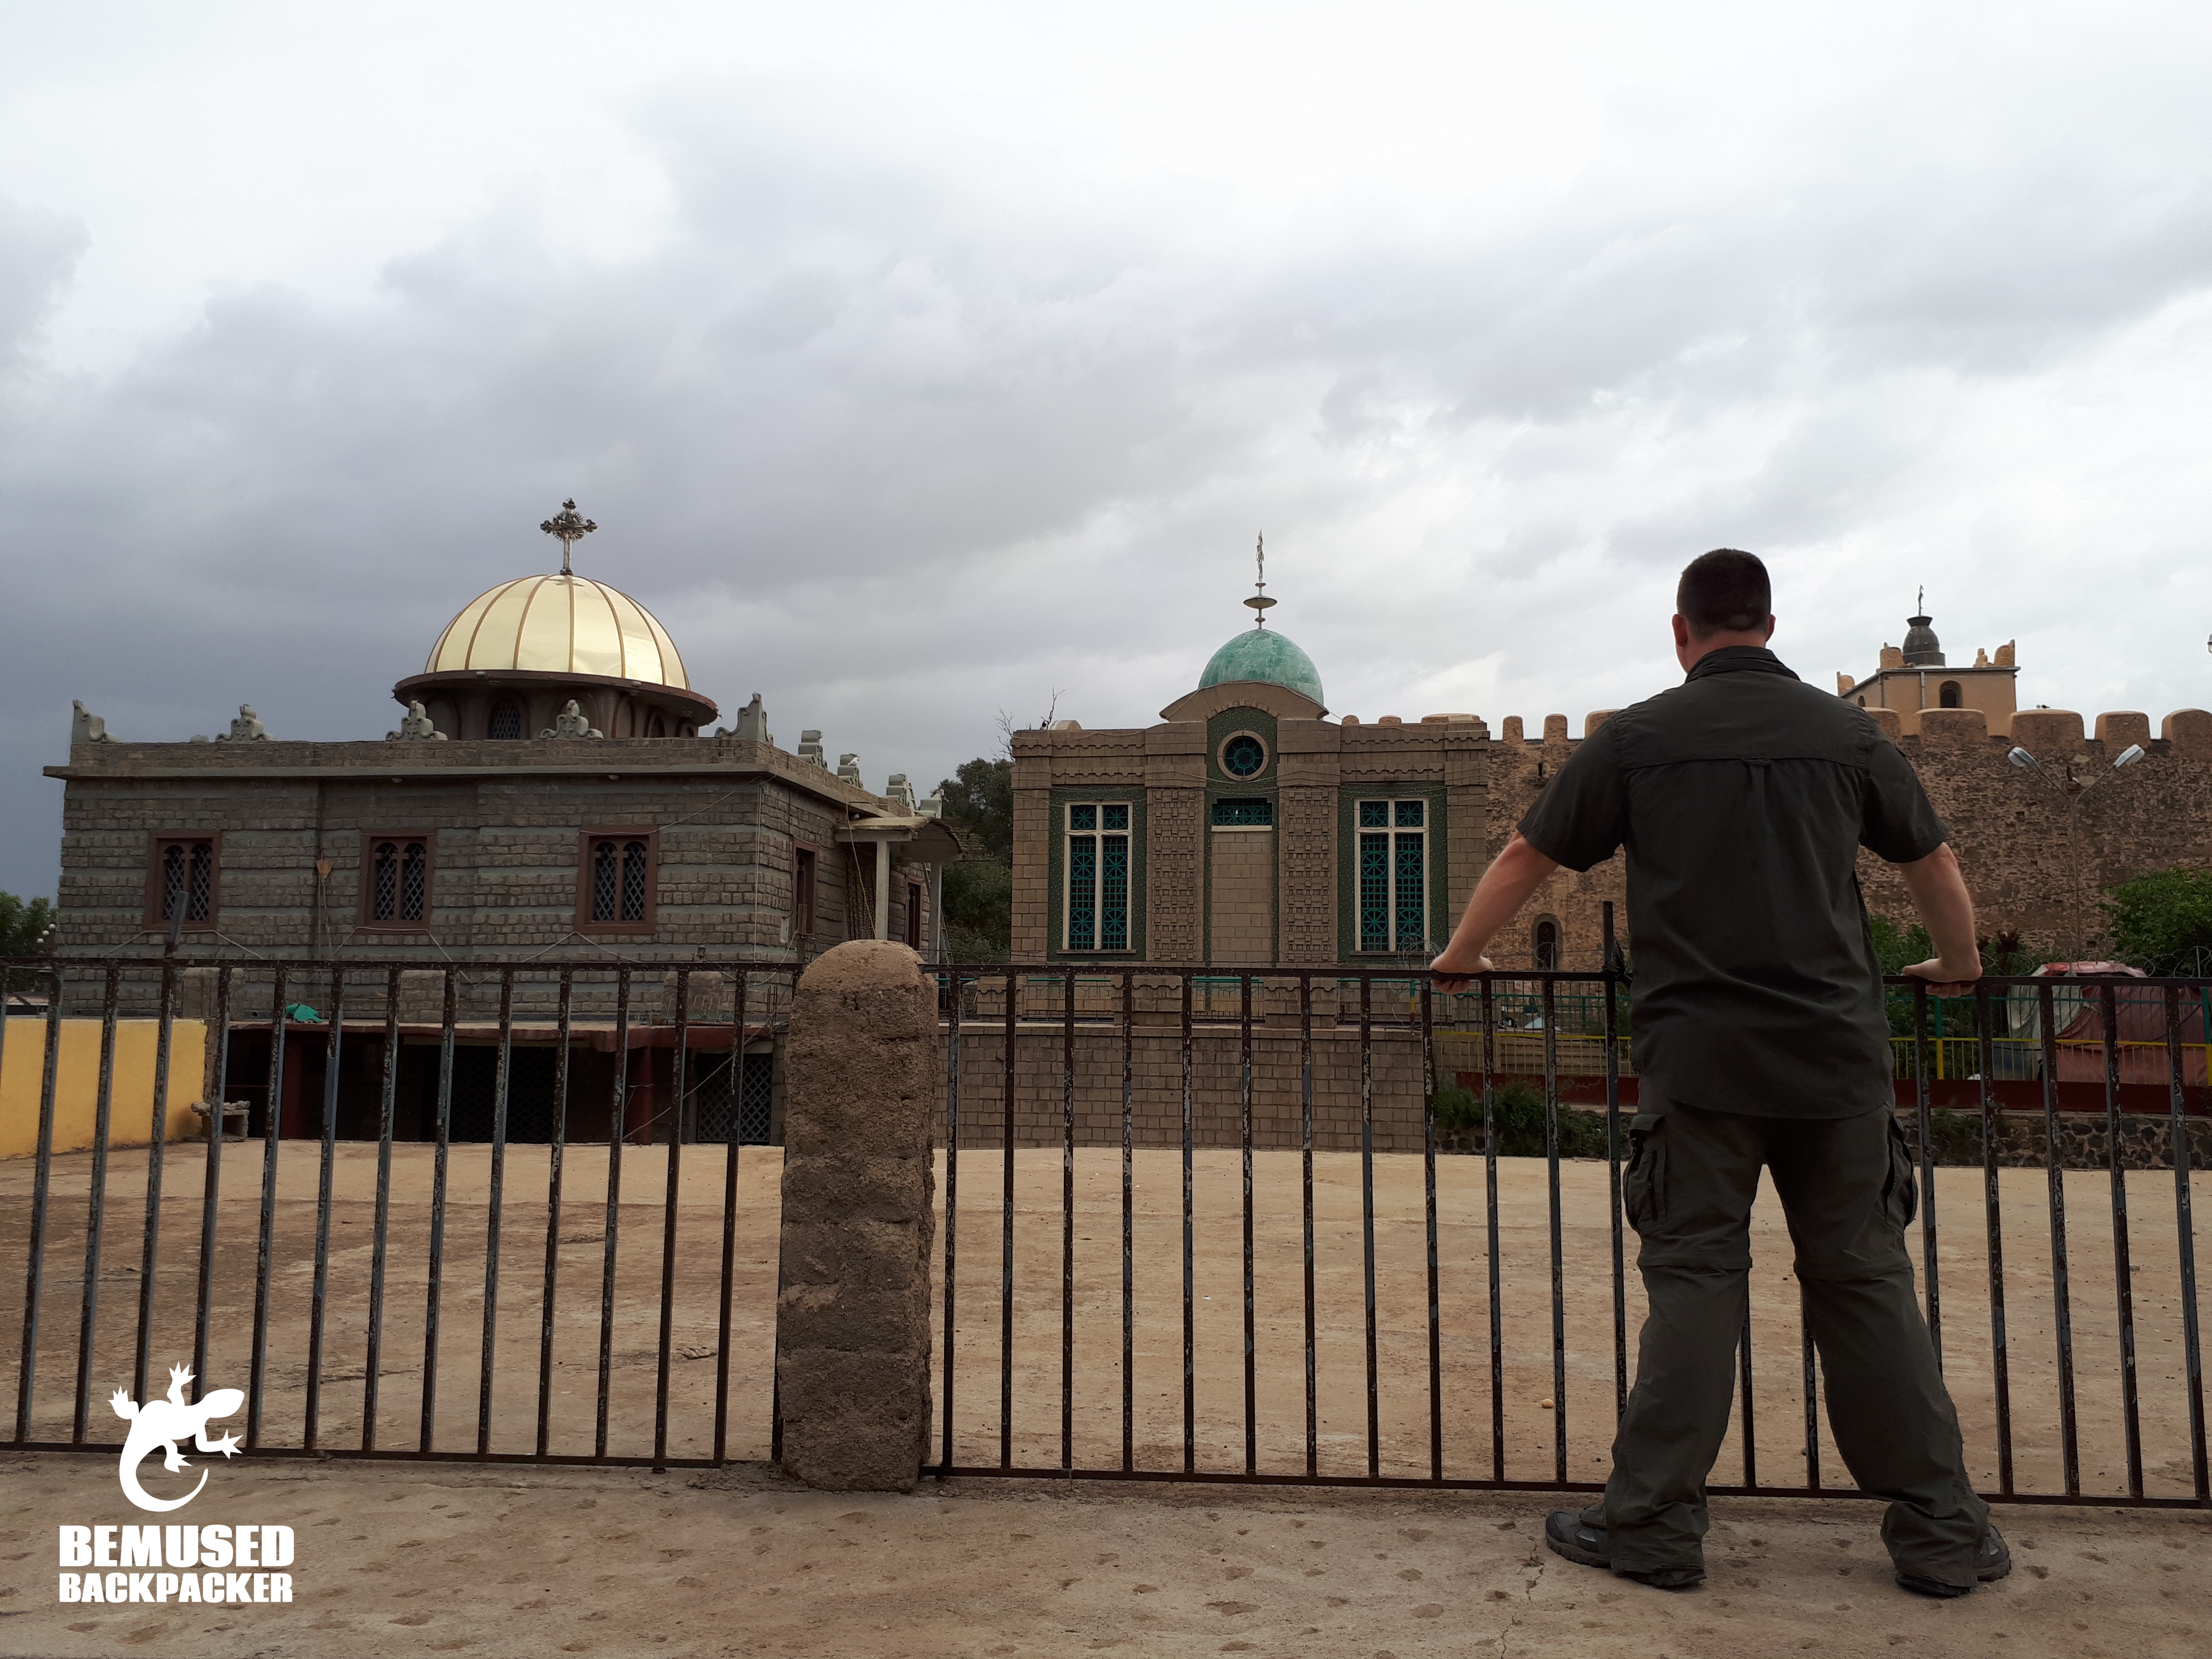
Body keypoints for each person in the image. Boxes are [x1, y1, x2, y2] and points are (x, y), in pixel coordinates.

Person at [1428, 549, 2006, 1599]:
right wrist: (1961, 968)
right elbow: (1935, 862)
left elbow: (1527, 857)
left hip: (1697, 1065)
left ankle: (1652, 1526)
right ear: (1770, 627)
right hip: (1838, 1059)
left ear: (1682, 632)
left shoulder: (1640, 737)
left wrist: (1464, 956)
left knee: (1695, 1281)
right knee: (1866, 1283)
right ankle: (1941, 1533)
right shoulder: (1848, 733)